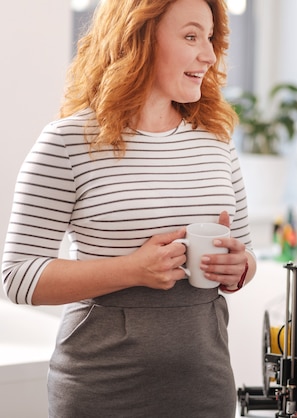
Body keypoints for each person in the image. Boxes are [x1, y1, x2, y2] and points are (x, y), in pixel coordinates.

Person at [1, 0, 257, 416]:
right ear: (138, 38)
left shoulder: (216, 141)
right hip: (101, 387)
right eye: (191, 36)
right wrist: (134, 270)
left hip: (204, 383)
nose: (209, 55)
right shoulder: (67, 142)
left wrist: (239, 267)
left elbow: (245, 254)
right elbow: (18, 278)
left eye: (210, 38)